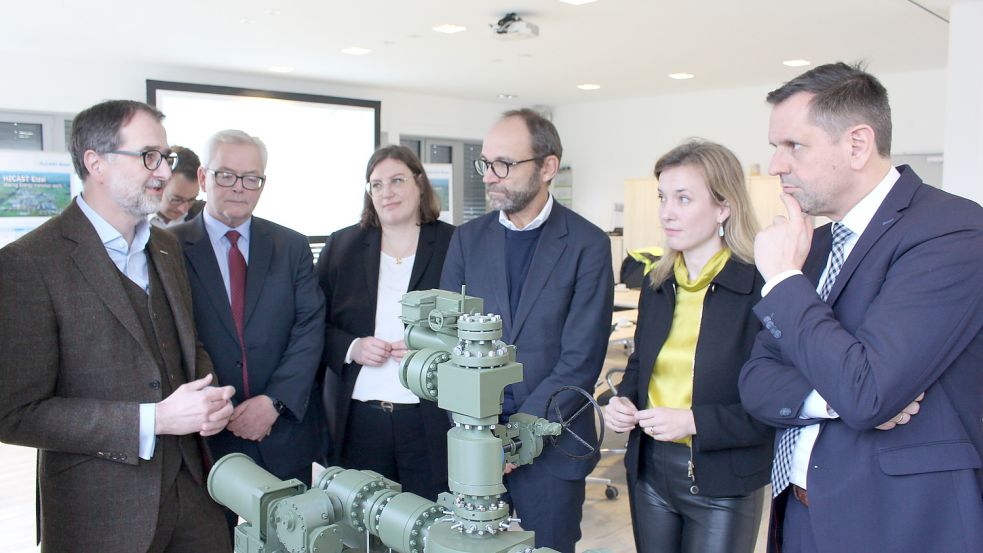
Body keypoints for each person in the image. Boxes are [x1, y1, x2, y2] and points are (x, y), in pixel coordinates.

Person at [739, 62, 983, 553]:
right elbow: (756, 382)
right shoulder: (814, 241)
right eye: (775, 148)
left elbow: (870, 391)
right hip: (800, 511)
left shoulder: (951, 230)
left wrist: (784, 279)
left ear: (856, 144)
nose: (775, 166)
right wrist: (828, 402)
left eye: (794, 146)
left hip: (898, 522)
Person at [0, 100, 234, 552]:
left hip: (196, 495)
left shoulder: (166, 248)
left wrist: (209, 395)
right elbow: (14, 414)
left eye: (165, 157)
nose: (165, 172)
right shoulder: (28, 263)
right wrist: (155, 420)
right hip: (99, 510)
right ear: (95, 162)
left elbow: (188, 344)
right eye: (149, 156)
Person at [440, 108, 613, 553]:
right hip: (473, 447)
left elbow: (580, 360)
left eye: (504, 164)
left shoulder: (587, 245)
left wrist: (513, 441)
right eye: (486, 163)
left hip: (552, 448)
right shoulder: (467, 240)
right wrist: (483, 436)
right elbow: (448, 342)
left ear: (547, 167)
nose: (490, 176)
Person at [605, 139, 772, 553]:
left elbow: (775, 407)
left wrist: (694, 421)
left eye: (683, 199)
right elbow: (641, 367)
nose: (666, 212)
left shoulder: (760, 288)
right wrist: (622, 402)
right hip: (650, 472)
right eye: (663, 197)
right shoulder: (658, 284)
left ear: (723, 207)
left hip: (722, 480)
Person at [170, 129, 327, 533]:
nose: (239, 188)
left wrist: (273, 402)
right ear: (204, 178)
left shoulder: (291, 246)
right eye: (226, 175)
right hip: (205, 437)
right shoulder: (168, 247)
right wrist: (214, 406)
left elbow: (309, 328)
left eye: (251, 177)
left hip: (282, 431)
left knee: (288, 539)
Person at [316, 145, 454, 500]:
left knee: (427, 522)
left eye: (396, 180)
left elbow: (475, 322)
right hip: (360, 417)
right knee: (362, 529)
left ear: (419, 184)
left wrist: (432, 345)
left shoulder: (454, 244)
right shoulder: (342, 245)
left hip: (429, 417)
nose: (386, 192)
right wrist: (353, 347)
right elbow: (312, 325)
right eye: (376, 185)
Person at [150, 145, 201, 228]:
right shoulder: (133, 220)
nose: (184, 210)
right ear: (157, 184)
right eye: (176, 200)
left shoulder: (203, 219)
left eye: (191, 200)